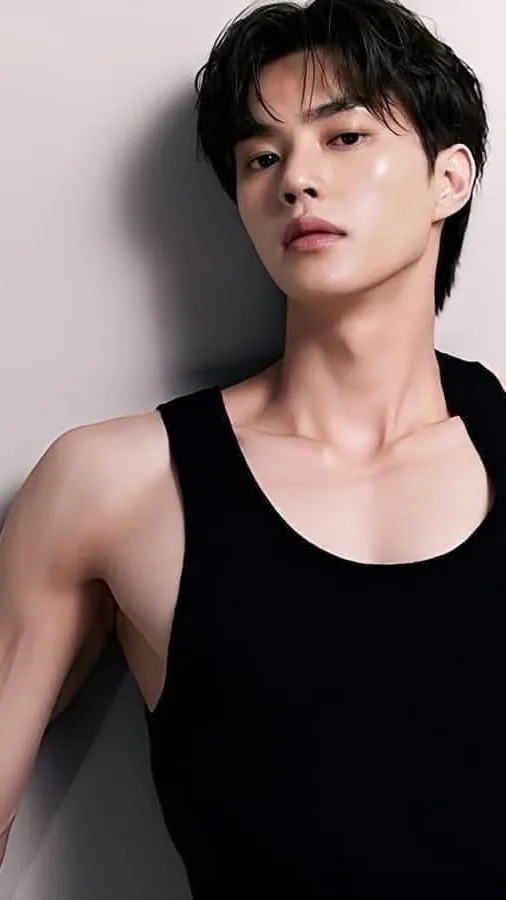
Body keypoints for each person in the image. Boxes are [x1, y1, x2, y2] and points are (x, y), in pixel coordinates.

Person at [1, 0, 503, 894]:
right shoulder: (117, 485)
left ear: (449, 179)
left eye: (344, 137)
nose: (296, 180)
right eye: (261, 158)